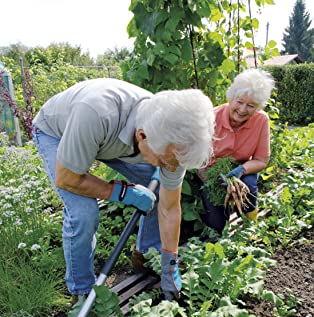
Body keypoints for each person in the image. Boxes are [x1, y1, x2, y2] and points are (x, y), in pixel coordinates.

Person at [32, 78, 215, 301]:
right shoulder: (96, 112)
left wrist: (170, 261)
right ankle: (81, 293)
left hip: (107, 139)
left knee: (158, 187)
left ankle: (148, 254)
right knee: (83, 212)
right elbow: (67, 178)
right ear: (141, 136)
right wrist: (121, 192)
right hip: (57, 131)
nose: (169, 168)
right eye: (164, 162)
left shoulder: (172, 143)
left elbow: (169, 207)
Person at [198, 68, 275, 233]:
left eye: (251, 106)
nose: (242, 109)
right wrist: (209, 179)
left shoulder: (261, 120)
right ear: (231, 97)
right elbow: (199, 161)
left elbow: (262, 160)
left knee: (247, 191)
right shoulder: (211, 118)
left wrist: (241, 170)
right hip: (212, 172)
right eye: (239, 102)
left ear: (257, 107)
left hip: (244, 167)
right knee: (216, 223)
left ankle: (251, 223)